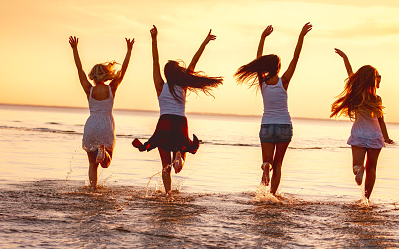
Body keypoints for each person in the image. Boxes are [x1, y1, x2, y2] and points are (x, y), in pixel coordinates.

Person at [132, 25, 223, 195]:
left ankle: (168, 195)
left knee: (165, 167)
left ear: (166, 74)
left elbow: (155, 61)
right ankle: (179, 155)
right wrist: (204, 42)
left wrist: (154, 39)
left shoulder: (160, 86)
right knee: (182, 149)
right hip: (180, 122)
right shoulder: (183, 85)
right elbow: (195, 61)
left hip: (165, 122)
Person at [234, 23, 312, 195]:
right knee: (278, 165)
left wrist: (262, 38)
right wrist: (301, 36)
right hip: (284, 126)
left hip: (267, 126)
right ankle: (272, 195)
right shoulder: (284, 81)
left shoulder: (262, 82)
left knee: (267, 162)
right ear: (278, 67)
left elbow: (257, 58)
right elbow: (296, 57)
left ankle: (265, 167)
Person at [69, 36, 134, 189]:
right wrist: (129, 51)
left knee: (92, 163)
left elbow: (79, 69)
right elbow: (123, 71)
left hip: (92, 124)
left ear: (93, 75)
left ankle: (93, 190)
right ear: (106, 74)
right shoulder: (112, 88)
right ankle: (103, 153)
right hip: (106, 125)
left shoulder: (89, 89)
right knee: (105, 164)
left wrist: (74, 49)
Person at [331, 48, 393, 200]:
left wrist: (345, 57)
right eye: (378, 77)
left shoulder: (356, 94)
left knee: (356, 166)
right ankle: (366, 199)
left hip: (359, 134)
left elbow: (350, 73)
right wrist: (386, 137)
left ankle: (359, 170)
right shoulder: (377, 99)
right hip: (375, 136)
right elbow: (381, 120)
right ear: (373, 80)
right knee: (372, 169)